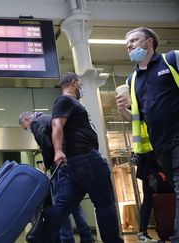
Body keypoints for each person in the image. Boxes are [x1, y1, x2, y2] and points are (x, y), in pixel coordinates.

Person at [43, 72, 123, 243]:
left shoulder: (71, 103)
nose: (82, 88)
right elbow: (56, 124)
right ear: (74, 83)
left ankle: (41, 236)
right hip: (85, 158)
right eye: (80, 84)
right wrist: (58, 151)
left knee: (64, 205)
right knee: (104, 203)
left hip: (74, 163)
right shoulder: (66, 100)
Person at [116, 27, 179, 242]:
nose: (129, 45)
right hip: (159, 147)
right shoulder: (133, 80)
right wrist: (124, 110)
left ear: (149, 41)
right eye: (127, 44)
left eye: (134, 40)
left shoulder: (172, 60)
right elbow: (138, 119)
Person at [19, 111, 94, 243]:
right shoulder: (48, 118)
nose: (28, 130)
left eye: (25, 128)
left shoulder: (36, 123)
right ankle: (87, 236)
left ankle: (67, 238)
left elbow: (46, 145)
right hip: (72, 161)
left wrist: (47, 164)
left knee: (60, 202)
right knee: (74, 204)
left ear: (26, 119)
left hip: (61, 165)